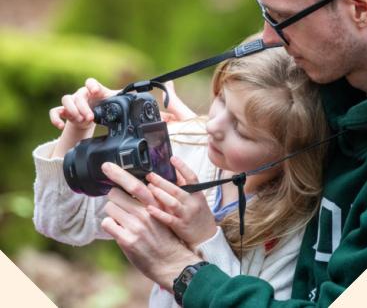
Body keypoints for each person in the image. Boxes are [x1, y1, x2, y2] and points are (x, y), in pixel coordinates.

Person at [83, 0, 367, 307]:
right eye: (263, 10)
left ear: (361, 7)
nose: (267, 38)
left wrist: (179, 269)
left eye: (281, 17)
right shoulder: (329, 84)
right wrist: (200, 130)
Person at [33, 42, 328, 306]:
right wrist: (79, 127)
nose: (213, 126)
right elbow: (62, 223)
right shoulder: (178, 151)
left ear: (289, 154)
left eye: (240, 129)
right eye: (222, 99)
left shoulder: (292, 228)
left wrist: (205, 237)